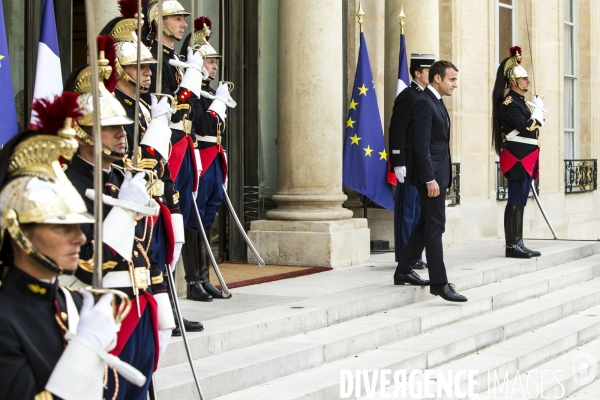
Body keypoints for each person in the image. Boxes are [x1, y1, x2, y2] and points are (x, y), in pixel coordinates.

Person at [62, 39, 175, 399]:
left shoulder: (116, 180)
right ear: (84, 133)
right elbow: (85, 261)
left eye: (122, 126)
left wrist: (158, 292)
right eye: (110, 128)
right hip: (104, 308)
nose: (122, 135)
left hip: (138, 303)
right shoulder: (69, 187)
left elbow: (142, 246)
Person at [0, 93, 120, 399]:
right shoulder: (4, 318)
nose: (79, 237)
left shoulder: (75, 304)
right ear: (17, 231)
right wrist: (85, 350)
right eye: (61, 227)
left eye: (77, 226)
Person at [101, 6, 204, 335]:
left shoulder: (146, 106)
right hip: (128, 198)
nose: (148, 72)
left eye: (148, 67)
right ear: (121, 69)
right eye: (139, 67)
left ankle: (169, 309)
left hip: (155, 194)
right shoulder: (114, 108)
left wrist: (172, 199)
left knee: (160, 259)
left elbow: (160, 160)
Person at [394, 60, 467, 303]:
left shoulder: (435, 102)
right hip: (430, 179)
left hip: (437, 176)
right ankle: (439, 283)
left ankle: (404, 268)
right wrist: (430, 179)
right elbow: (421, 146)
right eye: (452, 79)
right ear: (438, 79)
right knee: (436, 227)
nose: (455, 84)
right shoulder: (424, 103)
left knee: (426, 223)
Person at [179, 16, 233, 301]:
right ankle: (192, 281)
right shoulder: (194, 93)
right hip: (199, 158)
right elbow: (201, 125)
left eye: (213, 62)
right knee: (194, 219)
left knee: (209, 217)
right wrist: (217, 105)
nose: (214, 67)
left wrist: (218, 99)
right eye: (210, 62)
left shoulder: (209, 91)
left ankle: (204, 276)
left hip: (214, 159)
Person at [492, 46, 545, 259]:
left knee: (522, 199)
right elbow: (527, 126)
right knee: (515, 199)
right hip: (518, 157)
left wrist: (537, 110)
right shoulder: (509, 104)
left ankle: (519, 242)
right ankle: (511, 246)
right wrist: (539, 112)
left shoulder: (521, 102)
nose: (527, 82)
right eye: (524, 79)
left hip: (526, 155)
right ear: (514, 81)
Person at [389, 53, 435, 277]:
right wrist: (398, 160)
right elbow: (397, 129)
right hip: (407, 163)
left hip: (418, 164)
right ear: (417, 73)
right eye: (428, 71)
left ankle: (414, 255)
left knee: (418, 212)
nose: (432, 75)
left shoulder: (426, 97)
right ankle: (406, 255)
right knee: (407, 211)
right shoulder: (408, 95)